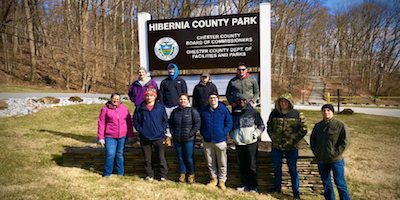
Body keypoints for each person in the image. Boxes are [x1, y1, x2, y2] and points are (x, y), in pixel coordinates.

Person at [267, 93, 308, 199]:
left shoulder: (297, 114)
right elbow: (269, 126)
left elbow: (303, 129)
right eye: (281, 101)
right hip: (276, 147)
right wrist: (273, 137)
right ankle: (277, 188)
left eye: (285, 101)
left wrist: (293, 139)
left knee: (293, 169)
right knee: (277, 168)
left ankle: (296, 191)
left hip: (292, 148)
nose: (283, 103)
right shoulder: (274, 114)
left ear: (290, 102)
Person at [311, 104, 351, 200]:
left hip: (335, 160)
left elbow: (345, 142)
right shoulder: (318, 126)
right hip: (322, 160)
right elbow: (313, 141)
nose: (326, 112)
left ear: (332, 112)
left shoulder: (340, 125)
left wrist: (335, 153)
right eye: (324, 110)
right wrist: (317, 152)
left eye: (328, 110)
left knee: (340, 183)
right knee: (326, 183)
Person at [230, 94, 265, 193]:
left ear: (247, 101)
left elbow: (261, 125)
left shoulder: (253, 112)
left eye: (243, 100)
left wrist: (255, 134)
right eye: (239, 100)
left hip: (251, 143)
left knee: (252, 165)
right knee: (242, 165)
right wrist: (233, 135)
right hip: (239, 143)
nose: (241, 102)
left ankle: (253, 187)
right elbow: (229, 126)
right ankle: (245, 185)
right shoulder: (234, 114)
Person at [133, 86, 169, 181]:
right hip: (145, 137)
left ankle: (163, 175)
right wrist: (141, 130)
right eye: (147, 96)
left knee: (161, 157)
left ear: (155, 97)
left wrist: (161, 129)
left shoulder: (160, 107)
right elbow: (135, 120)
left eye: (151, 96)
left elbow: (165, 120)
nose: (149, 98)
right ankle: (149, 174)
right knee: (147, 159)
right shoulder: (140, 107)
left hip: (158, 136)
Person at [200, 92, 233, 190]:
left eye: (214, 98)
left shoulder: (223, 110)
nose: (213, 100)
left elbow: (229, 122)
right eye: (211, 98)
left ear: (217, 99)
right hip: (207, 140)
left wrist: (224, 132)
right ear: (208, 99)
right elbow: (200, 123)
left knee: (222, 161)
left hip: (220, 140)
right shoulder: (204, 110)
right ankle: (214, 179)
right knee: (210, 161)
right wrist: (203, 132)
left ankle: (222, 180)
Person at [97, 93, 134, 177]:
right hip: (110, 136)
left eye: (118, 99)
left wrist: (130, 135)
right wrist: (101, 137)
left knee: (119, 154)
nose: (116, 100)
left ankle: (120, 173)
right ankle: (107, 173)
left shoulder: (124, 109)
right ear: (111, 99)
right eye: (114, 99)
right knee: (110, 154)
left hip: (122, 136)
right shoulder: (105, 110)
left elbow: (129, 123)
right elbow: (101, 124)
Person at [169, 93, 201, 184]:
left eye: (184, 99)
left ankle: (191, 174)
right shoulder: (175, 111)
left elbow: (197, 124)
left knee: (189, 158)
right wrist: (173, 133)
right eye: (181, 99)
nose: (183, 101)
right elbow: (171, 123)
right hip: (177, 139)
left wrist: (191, 134)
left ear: (188, 100)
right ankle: (182, 174)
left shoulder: (192, 111)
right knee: (180, 157)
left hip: (188, 139)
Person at [158, 63, 188, 146]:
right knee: (167, 122)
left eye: (173, 69)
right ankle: (168, 138)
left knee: (177, 122)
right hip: (167, 106)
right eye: (170, 69)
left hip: (178, 106)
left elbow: (184, 93)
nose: (171, 71)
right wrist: (162, 105)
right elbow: (161, 94)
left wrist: (183, 104)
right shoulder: (164, 82)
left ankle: (177, 138)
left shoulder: (181, 81)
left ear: (176, 70)